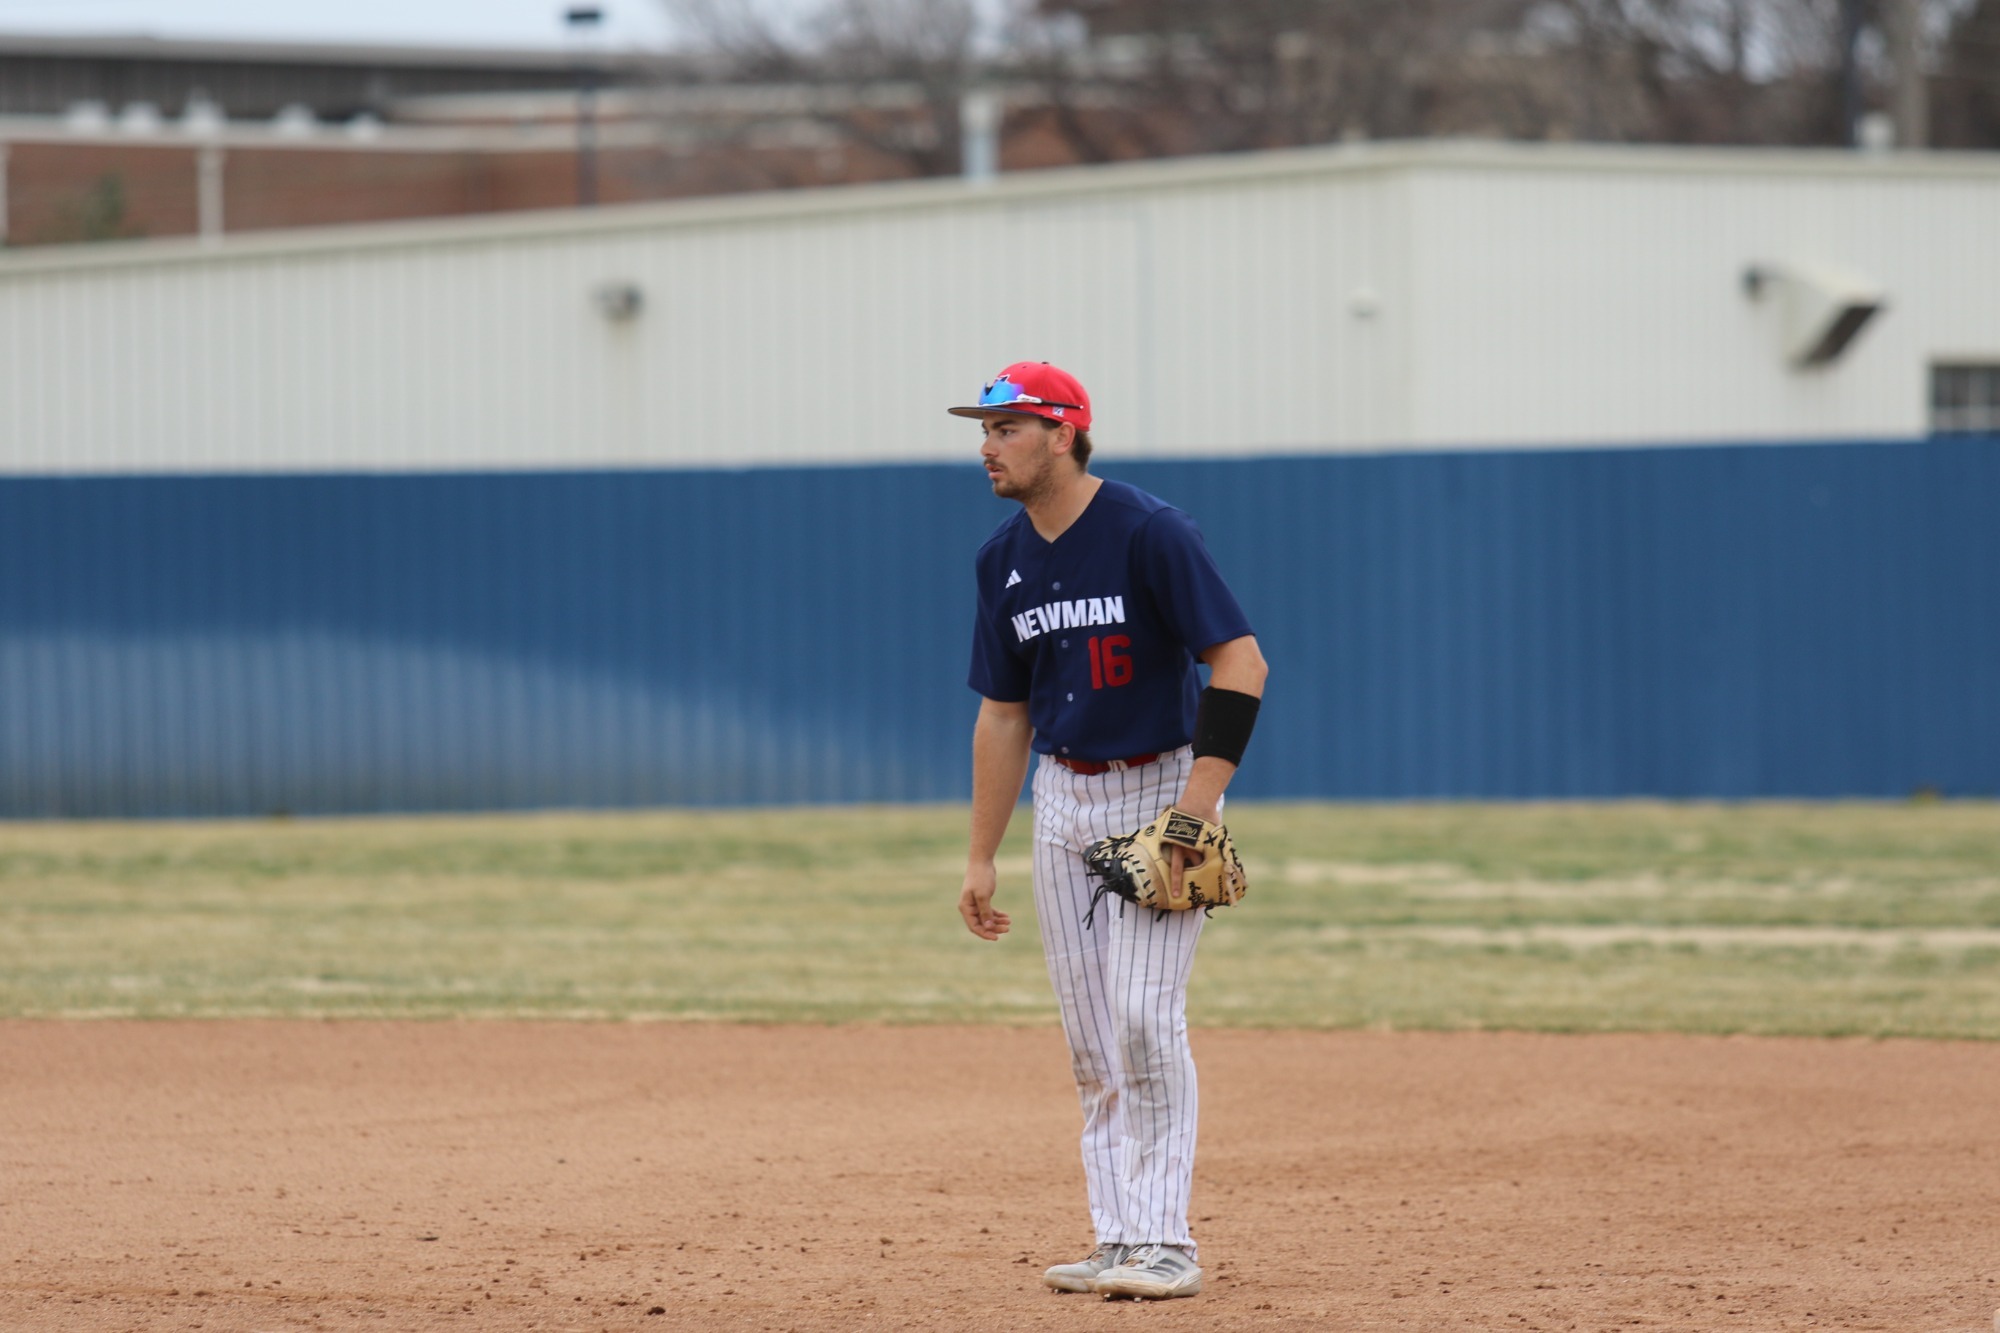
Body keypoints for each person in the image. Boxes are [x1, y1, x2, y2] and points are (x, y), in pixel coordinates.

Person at [951, 361, 1268, 1301]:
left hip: (1161, 788)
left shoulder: (1148, 531)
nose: (987, 445)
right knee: (1091, 1036)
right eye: (984, 428)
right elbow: (1004, 713)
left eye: (1007, 427)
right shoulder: (1001, 557)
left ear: (1064, 431)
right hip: (1064, 797)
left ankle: (1167, 1239)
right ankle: (1117, 1234)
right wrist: (980, 852)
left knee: (1141, 1014)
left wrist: (1194, 813)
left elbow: (1240, 663)